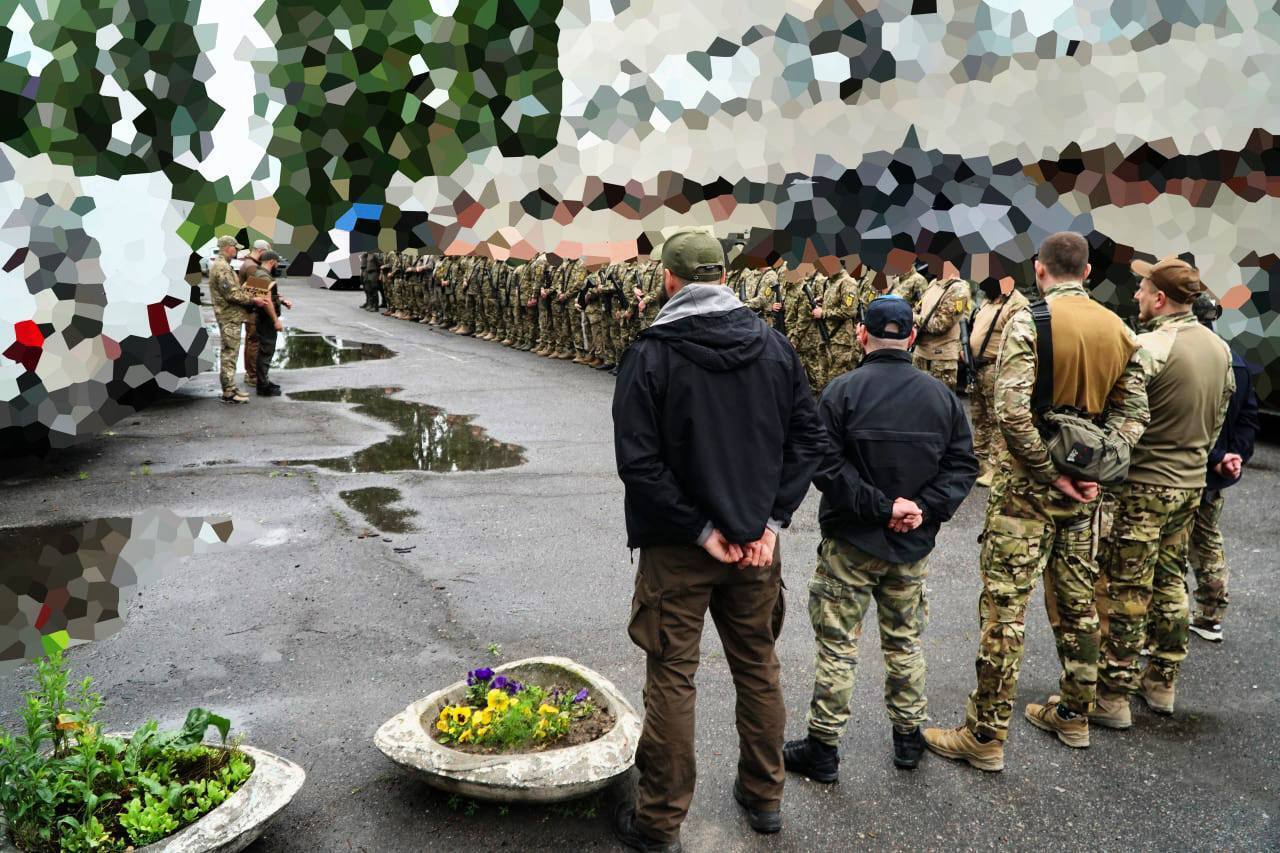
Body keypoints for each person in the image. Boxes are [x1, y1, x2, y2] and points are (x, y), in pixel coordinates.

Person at [612, 229, 827, 851]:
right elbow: (808, 440)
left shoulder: (651, 354)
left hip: (682, 549)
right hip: (754, 549)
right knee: (757, 667)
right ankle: (765, 798)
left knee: (674, 676)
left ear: (671, 281)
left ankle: (658, 822)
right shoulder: (775, 348)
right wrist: (768, 523)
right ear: (726, 279)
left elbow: (639, 463)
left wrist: (707, 531)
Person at [924, 231, 1149, 771]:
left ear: (1040, 269)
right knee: (1077, 605)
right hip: (1084, 496)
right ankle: (1075, 714)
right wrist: (1092, 469)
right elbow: (1135, 413)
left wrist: (1051, 473)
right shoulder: (1119, 329)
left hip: (1026, 495)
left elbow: (1010, 413)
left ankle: (985, 735)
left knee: (1005, 611)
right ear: (1088, 272)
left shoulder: (1032, 321)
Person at [784, 296, 978, 784]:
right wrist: (921, 509)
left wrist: (879, 506)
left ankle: (824, 748)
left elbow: (825, 465)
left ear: (860, 335)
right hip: (909, 548)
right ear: (913, 338)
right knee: (905, 643)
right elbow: (962, 466)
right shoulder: (941, 398)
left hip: (852, 543)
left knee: (837, 647)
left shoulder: (841, 392)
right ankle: (908, 739)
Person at [1093, 257, 1233, 723]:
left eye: (1142, 289)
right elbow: (1218, 422)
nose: (1136, 296)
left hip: (1144, 485)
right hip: (1190, 484)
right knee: (1172, 581)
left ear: (1159, 297)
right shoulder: (1219, 349)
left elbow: (1122, 415)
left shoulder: (1150, 346)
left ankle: (1112, 694)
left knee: (1127, 585)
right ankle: (1162, 683)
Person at [1186, 295, 1259, 642]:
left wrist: (1218, 454)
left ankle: (1153, 628)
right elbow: (1248, 418)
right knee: (1207, 541)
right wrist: (1235, 456)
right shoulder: (1237, 362)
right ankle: (1210, 616)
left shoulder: (1189, 358)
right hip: (1214, 475)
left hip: (1181, 469)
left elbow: (1190, 422)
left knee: (1162, 549)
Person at [969, 276, 1030, 487]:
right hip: (977, 367)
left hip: (997, 368)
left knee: (997, 420)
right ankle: (979, 461)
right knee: (979, 417)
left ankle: (996, 467)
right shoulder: (988, 300)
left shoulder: (1016, 304)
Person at [207, 235, 269, 404]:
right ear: (228, 247)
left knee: (230, 353)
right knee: (229, 353)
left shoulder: (224, 265)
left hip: (231, 316)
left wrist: (249, 291)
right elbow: (231, 294)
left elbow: (234, 290)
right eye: (235, 247)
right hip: (228, 316)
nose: (237, 250)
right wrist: (253, 299)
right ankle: (228, 391)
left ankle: (231, 388)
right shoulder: (222, 268)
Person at [912, 265, 971, 393]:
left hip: (941, 361)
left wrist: (914, 318)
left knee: (940, 407)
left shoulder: (959, 289)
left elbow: (939, 325)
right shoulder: (934, 283)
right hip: (920, 355)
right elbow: (918, 308)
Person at [251, 251, 293, 396]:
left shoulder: (258, 273)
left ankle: (264, 381)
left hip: (262, 318)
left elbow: (264, 296)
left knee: (264, 351)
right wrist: (276, 321)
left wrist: (281, 301)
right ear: (272, 262)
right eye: (276, 263)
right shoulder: (263, 276)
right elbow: (266, 300)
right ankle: (262, 386)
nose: (277, 266)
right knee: (266, 351)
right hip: (266, 320)